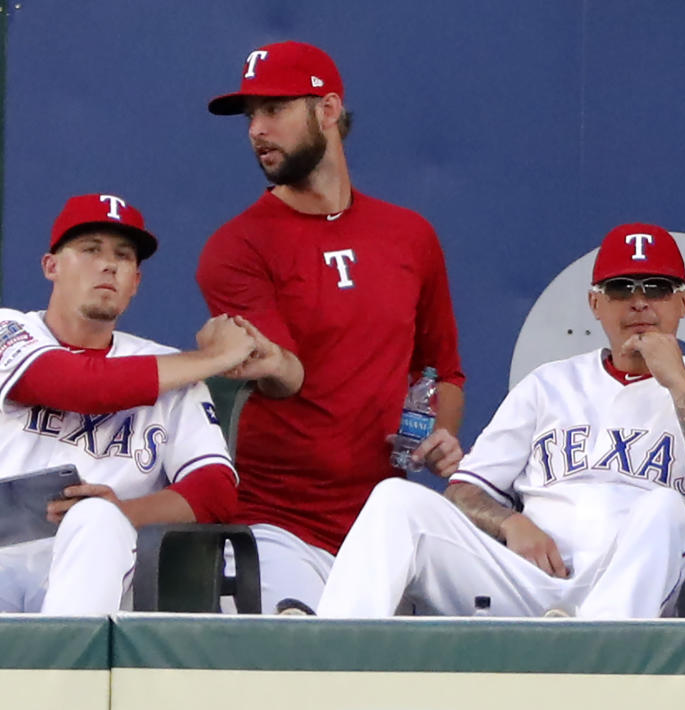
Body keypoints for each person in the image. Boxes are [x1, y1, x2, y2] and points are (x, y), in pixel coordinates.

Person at [318, 223, 685, 618]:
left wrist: (679, 384)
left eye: (656, 288)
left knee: (663, 507)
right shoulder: (549, 384)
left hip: (635, 595)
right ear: (595, 304)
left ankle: (593, 669)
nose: (638, 303)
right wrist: (511, 524)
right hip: (529, 580)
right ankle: (321, 670)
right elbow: (464, 491)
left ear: (684, 301)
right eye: (620, 289)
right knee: (396, 500)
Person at [0, 193, 256, 614]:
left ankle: (67, 680)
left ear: (136, 282)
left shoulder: (177, 375)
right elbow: (77, 386)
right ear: (51, 266)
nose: (108, 264)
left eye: (124, 256)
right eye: (90, 249)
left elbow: (216, 488)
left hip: (99, 571)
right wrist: (214, 359)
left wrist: (124, 511)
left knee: (95, 520)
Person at [197, 40, 466, 614]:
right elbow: (286, 374)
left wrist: (436, 434)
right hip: (276, 527)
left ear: (327, 110)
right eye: (250, 116)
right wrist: (266, 362)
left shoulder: (409, 236)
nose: (256, 130)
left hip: (387, 530)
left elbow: (442, 369)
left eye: (274, 110)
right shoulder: (235, 247)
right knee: (299, 667)